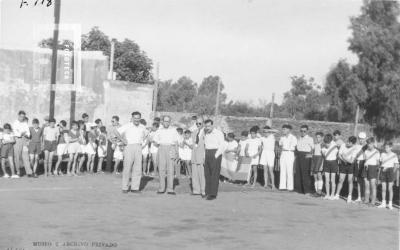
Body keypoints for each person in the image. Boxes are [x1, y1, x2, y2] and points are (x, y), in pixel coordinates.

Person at [117, 111, 147, 193]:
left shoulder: (142, 127)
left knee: (137, 168)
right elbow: (116, 132)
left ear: (140, 118)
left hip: (138, 147)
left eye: (138, 118)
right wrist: (123, 140)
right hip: (129, 147)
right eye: (135, 118)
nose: (137, 120)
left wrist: (142, 142)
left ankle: (135, 188)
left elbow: (146, 135)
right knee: (127, 168)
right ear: (132, 118)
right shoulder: (127, 126)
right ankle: (125, 187)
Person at [153, 115, 180, 195]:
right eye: (165, 121)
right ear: (162, 121)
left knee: (171, 169)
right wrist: (160, 146)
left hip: (171, 148)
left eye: (168, 121)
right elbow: (155, 141)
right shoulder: (159, 130)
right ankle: (161, 188)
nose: (166, 122)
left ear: (170, 122)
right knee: (161, 169)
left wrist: (177, 152)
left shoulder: (174, 130)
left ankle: (170, 189)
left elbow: (176, 142)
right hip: (162, 148)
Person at [203, 119, 225, 200]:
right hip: (207, 153)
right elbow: (206, 145)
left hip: (215, 153)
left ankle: (213, 194)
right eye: (206, 126)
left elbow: (222, 145)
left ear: (212, 125)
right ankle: (207, 192)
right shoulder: (206, 133)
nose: (207, 127)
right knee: (207, 174)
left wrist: (216, 155)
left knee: (214, 174)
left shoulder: (218, 133)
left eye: (209, 126)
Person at [335, 136, 358, 202]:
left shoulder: (355, 148)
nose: (347, 143)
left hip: (350, 166)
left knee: (350, 181)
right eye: (347, 141)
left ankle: (349, 196)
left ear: (353, 144)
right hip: (343, 164)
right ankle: (337, 195)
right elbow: (339, 155)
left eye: (349, 142)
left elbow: (351, 161)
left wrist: (344, 157)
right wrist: (344, 159)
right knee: (340, 180)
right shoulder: (343, 145)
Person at [378, 142, 398, 210]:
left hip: (390, 171)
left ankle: (390, 204)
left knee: (390, 188)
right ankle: (383, 203)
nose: (386, 149)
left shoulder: (394, 155)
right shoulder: (382, 154)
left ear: (391, 148)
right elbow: (380, 163)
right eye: (385, 147)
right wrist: (382, 169)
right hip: (383, 171)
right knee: (383, 188)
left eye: (387, 147)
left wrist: (392, 172)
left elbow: (396, 165)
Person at [295, 125, 314, 195]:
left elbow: (312, 149)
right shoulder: (299, 138)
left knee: (305, 174)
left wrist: (308, 157)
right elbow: (297, 148)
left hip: (306, 156)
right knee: (298, 173)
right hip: (299, 155)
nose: (302, 132)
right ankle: (299, 190)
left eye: (304, 131)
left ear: (307, 131)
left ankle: (306, 191)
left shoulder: (310, 139)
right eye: (301, 131)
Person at [12, 110, 32, 177]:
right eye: (21, 116)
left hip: (24, 140)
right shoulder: (15, 123)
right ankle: (18, 172)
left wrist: (25, 134)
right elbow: (15, 132)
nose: (22, 118)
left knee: (26, 156)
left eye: (23, 117)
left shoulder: (25, 123)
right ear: (18, 115)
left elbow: (28, 132)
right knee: (17, 156)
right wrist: (21, 133)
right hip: (17, 140)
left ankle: (29, 172)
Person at [278, 124, 297, 191]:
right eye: (283, 129)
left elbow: (293, 146)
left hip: (290, 153)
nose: (283, 130)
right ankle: (282, 186)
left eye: (285, 129)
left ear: (289, 130)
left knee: (289, 170)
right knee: (282, 170)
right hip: (283, 153)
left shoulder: (293, 137)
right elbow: (280, 145)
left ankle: (290, 187)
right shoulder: (282, 137)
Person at [191, 117, 206, 197]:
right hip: (194, 155)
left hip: (201, 156)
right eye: (197, 123)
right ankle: (196, 190)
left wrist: (205, 157)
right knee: (195, 174)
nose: (198, 125)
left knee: (202, 174)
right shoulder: (194, 132)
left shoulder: (206, 133)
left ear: (203, 124)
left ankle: (203, 190)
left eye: (200, 123)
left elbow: (206, 145)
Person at [363, 137, 380, 206]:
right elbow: (365, 159)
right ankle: (366, 200)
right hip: (366, 168)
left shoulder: (376, 152)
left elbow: (378, 163)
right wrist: (366, 164)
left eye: (369, 144)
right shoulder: (366, 151)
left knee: (373, 186)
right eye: (367, 144)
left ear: (373, 144)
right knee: (366, 185)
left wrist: (377, 172)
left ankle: (373, 201)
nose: (368, 145)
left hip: (373, 168)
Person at [321, 134, 338, 200]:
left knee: (332, 180)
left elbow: (337, 154)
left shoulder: (335, 145)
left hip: (333, 163)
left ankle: (332, 195)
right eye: (326, 143)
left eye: (328, 143)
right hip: (326, 163)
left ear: (331, 141)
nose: (327, 144)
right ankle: (327, 194)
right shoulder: (323, 146)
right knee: (327, 180)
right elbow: (323, 155)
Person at [354, 132, 367, 202]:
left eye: (362, 139)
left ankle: (364, 196)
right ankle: (359, 196)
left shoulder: (367, 146)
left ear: (365, 139)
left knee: (364, 181)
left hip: (364, 163)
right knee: (358, 181)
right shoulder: (356, 146)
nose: (361, 140)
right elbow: (355, 155)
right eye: (360, 139)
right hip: (358, 163)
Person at [311, 132, 324, 196]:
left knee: (319, 175)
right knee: (315, 176)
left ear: (322, 138)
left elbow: (324, 155)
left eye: (319, 137)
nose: (317, 138)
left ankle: (319, 191)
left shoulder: (323, 145)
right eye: (316, 137)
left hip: (320, 159)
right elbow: (313, 153)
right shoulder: (315, 144)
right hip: (314, 159)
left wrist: (322, 164)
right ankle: (316, 191)